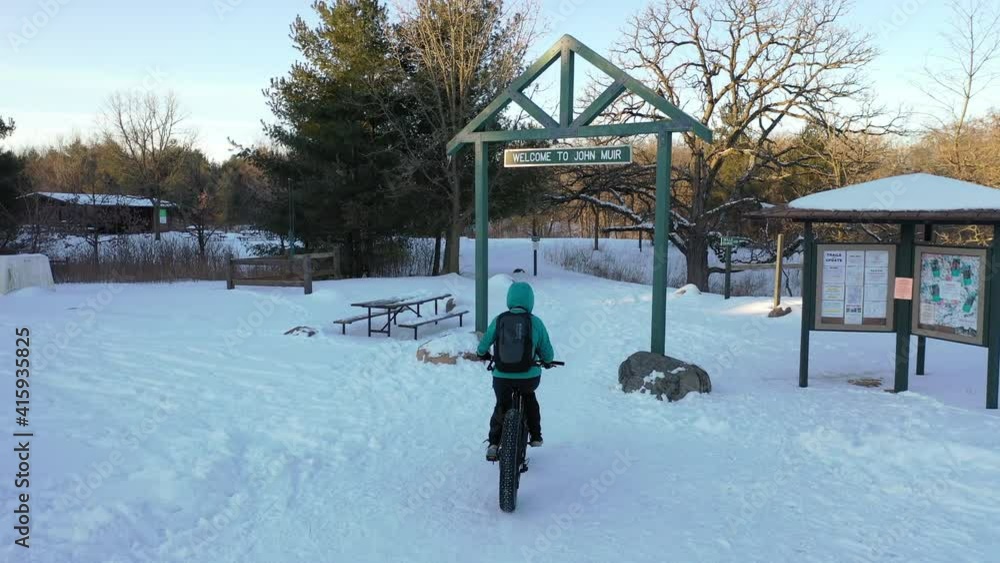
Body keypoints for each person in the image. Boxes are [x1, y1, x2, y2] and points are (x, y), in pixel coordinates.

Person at [477, 281, 555, 462]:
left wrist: (482, 353)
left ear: (509, 299)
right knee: (529, 398)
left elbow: (484, 343)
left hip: (502, 377)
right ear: (530, 301)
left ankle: (494, 444)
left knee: (501, 405)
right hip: (528, 378)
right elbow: (547, 352)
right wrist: (547, 362)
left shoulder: (499, 320)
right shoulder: (535, 322)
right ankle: (535, 435)